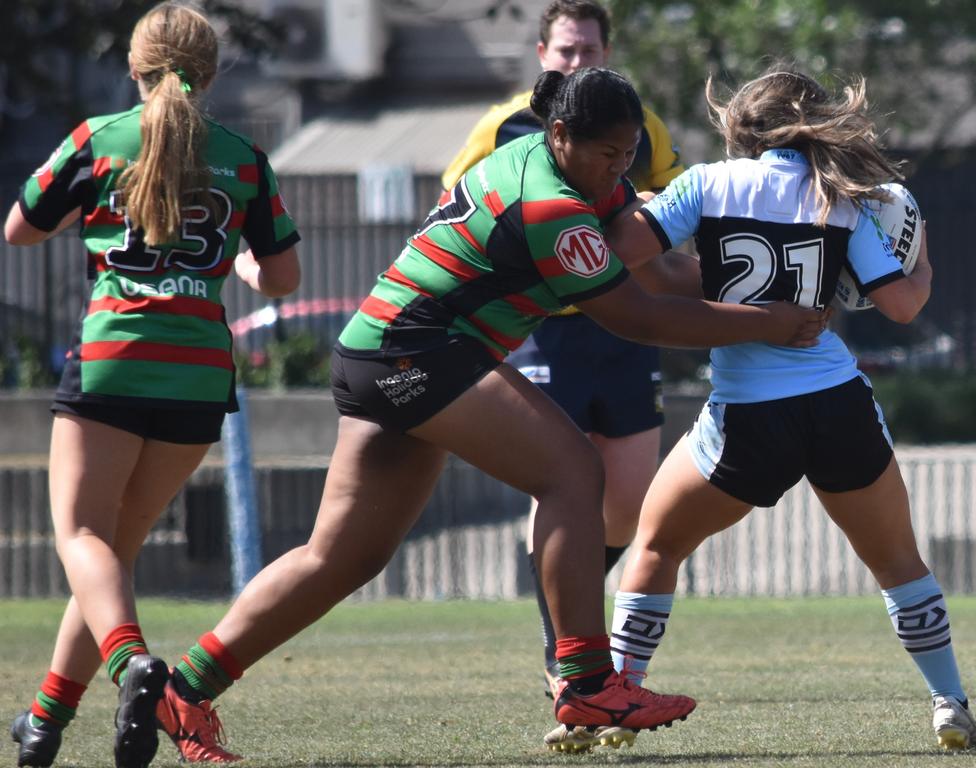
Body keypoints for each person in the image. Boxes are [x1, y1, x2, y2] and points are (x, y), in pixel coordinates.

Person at [149, 67, 826, 763]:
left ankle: (184, 690)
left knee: (342, 557)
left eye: (629, 155)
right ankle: (588, 679)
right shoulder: (551, 206)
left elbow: (655, 271)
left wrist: (766, 281)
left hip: (381, 352)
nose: (619, 169)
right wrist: (765, 323)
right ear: (560, 133)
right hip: (413, 354)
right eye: (607, 154)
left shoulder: (560, 166)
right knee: (570, 472)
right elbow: (637, 315)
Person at [604, 66, 976, 752]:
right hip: (837, 403)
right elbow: (902, 305)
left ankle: (618, 699)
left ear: (741, 126)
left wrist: (712, 278)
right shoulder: (841, 198)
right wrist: (921, 261)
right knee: (899, 562)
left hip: (748, 416)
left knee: (657, 547)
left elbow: (625, 251)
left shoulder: (709, 183)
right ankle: (949, 702)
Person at [4, 4, 301, 767]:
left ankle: (133, 664)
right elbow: (283, 277)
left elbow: (20, 228)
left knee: (80, 538)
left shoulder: (97, 141)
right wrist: (233, 261)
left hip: (113, 364)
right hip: (198, 381)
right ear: (211, 74)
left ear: (133, 69)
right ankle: (43, 720)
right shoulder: (242, 156)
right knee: (111, 557)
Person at [443, 2, 686, 737]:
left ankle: (575, 623)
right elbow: (454, 201)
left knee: (626, 503)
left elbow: (669, 203)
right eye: (565, 51)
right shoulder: (506, 126)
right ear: (543, 51)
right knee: (563, 478)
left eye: (589, 51)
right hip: (547, 330)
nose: (576, 64)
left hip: (622, 327)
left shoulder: (633, 122)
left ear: (607, 50)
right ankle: (567, 660)